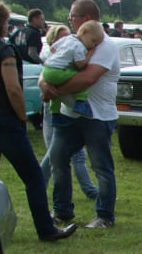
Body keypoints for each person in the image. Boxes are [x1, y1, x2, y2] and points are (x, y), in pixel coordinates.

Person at [0, 0, 76, 240]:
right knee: (32, 175)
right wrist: (22, 117)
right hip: (1, 117)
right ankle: (46, 229)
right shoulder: (4, 51)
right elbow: (12, 89)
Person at [41, 0, 122, 230]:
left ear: (85, 19)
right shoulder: (70, 42)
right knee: (58, 158)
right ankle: (62, 210)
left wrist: (53, 91)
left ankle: (105, 215)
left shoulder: (105, 46)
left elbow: (87, 78)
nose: (70, 20)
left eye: (72, 17)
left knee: (101, 166)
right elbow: (51, 66)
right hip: (70, 114)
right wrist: (43, 83)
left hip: (97, 116)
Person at [37, 24, 98, 202]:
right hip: (58, 109)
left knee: (68, 156)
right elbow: (46, 78)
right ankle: (41, 188)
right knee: (55, 155)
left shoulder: (67, 51)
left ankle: (88, 191)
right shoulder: (57, 56)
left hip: (63, 107)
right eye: (61, 38)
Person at [40, 20, 105, 118]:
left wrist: (62, 56)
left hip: (47, 69)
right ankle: (80, 103)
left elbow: (53, 49)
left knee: (55, 88)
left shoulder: (68, 38)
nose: (93, 45)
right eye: (93, 41)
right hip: (57, 71)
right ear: (84, 32)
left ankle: (55, 113)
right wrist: (89, 54)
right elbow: (80, 64)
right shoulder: (79, 46)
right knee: (80, 80)